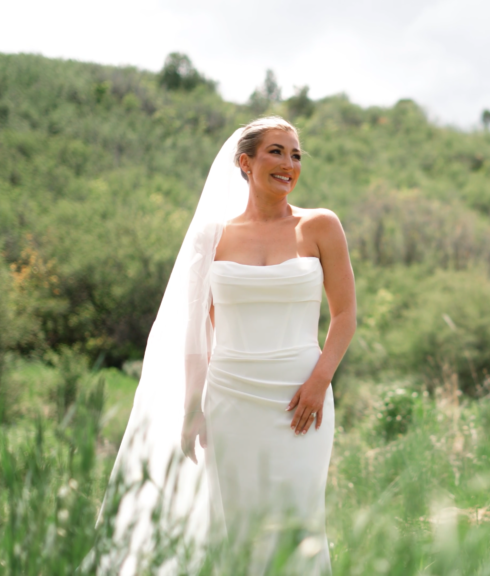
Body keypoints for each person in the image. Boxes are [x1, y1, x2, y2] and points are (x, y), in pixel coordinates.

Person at [101, 117, 355, 575]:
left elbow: (345, 316)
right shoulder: (211, 235)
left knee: (298, 522)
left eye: (296, 155)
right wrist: (192, 406)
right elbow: (197, 331)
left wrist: (319, 381)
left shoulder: (320, 225)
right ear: (245, 162)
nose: (289, 164)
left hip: (301, 395)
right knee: (237, 527)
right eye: (276, 151)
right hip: (230, 398)